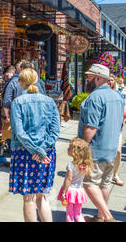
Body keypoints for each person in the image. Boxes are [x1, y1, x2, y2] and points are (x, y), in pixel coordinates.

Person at [9, 68, 60, 222]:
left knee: (29, 198)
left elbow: (20, 132)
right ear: (36, 81)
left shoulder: (17, 102)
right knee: (42, 196)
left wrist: (35, 150)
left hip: (25, 152)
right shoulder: (49, 101)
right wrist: (42, 150)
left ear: (21, 82)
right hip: (46, 153)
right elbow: (55, 130)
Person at [78, 64, 124, 222]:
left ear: (97, 78)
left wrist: (81, 147)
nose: (86, 80)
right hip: (111, 148)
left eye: (88, 77)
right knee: (104, 184)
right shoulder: (117, 96)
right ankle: (99, 216)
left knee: (89, 183)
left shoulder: (95, 97)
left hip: (96, 149)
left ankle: (107, 216)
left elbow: (91, 127)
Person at [58, 138, 94, 222]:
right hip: (79, 191)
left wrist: (64, 191)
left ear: (76, 152)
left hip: (70, 191)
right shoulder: (85, 165)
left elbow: (69, 179)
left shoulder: (71, 165)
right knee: (78, 213)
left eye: (70, 148)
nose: (68, 149)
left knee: (69, 213)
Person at [108, 74, 125, 187]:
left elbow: (123, 109)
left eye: (112, 80)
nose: (110, 82)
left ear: (115, 81)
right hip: (104, 127)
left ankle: (115, 174)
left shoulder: (119, 94)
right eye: (108, 80)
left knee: (118, 151)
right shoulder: (101, 94)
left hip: (117, 127)